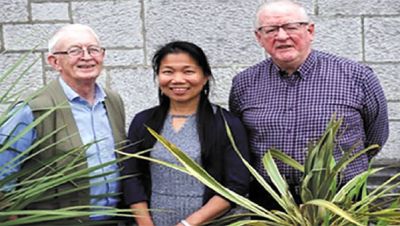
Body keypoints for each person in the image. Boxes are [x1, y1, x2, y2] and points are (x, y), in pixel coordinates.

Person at [229, 0, 389, 210]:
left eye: (290, 27)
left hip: (340, 199)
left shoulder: (356, 76)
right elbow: (241, 139)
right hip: (271, 204)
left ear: (310, 30)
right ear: (259, 38)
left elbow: (376, 137)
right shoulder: (244, 83)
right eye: (271, 30)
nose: (282, 36)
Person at [0, 24, 127, 224]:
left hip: (114, 220)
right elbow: (3, 177)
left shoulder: (113, 102)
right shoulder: (32, 109)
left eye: (93, 49)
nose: (86, 57)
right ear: (54, 61)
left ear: (102, 55)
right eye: (74, 50)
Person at [122, 41, 250, 226]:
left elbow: (236, 185)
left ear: (205, 76)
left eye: (188, 71)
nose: (178, 79)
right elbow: (131, 176)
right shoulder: (143, 122)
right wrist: (144, 223)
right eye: (168, 72)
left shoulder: (226, 124)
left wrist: (188, 224)